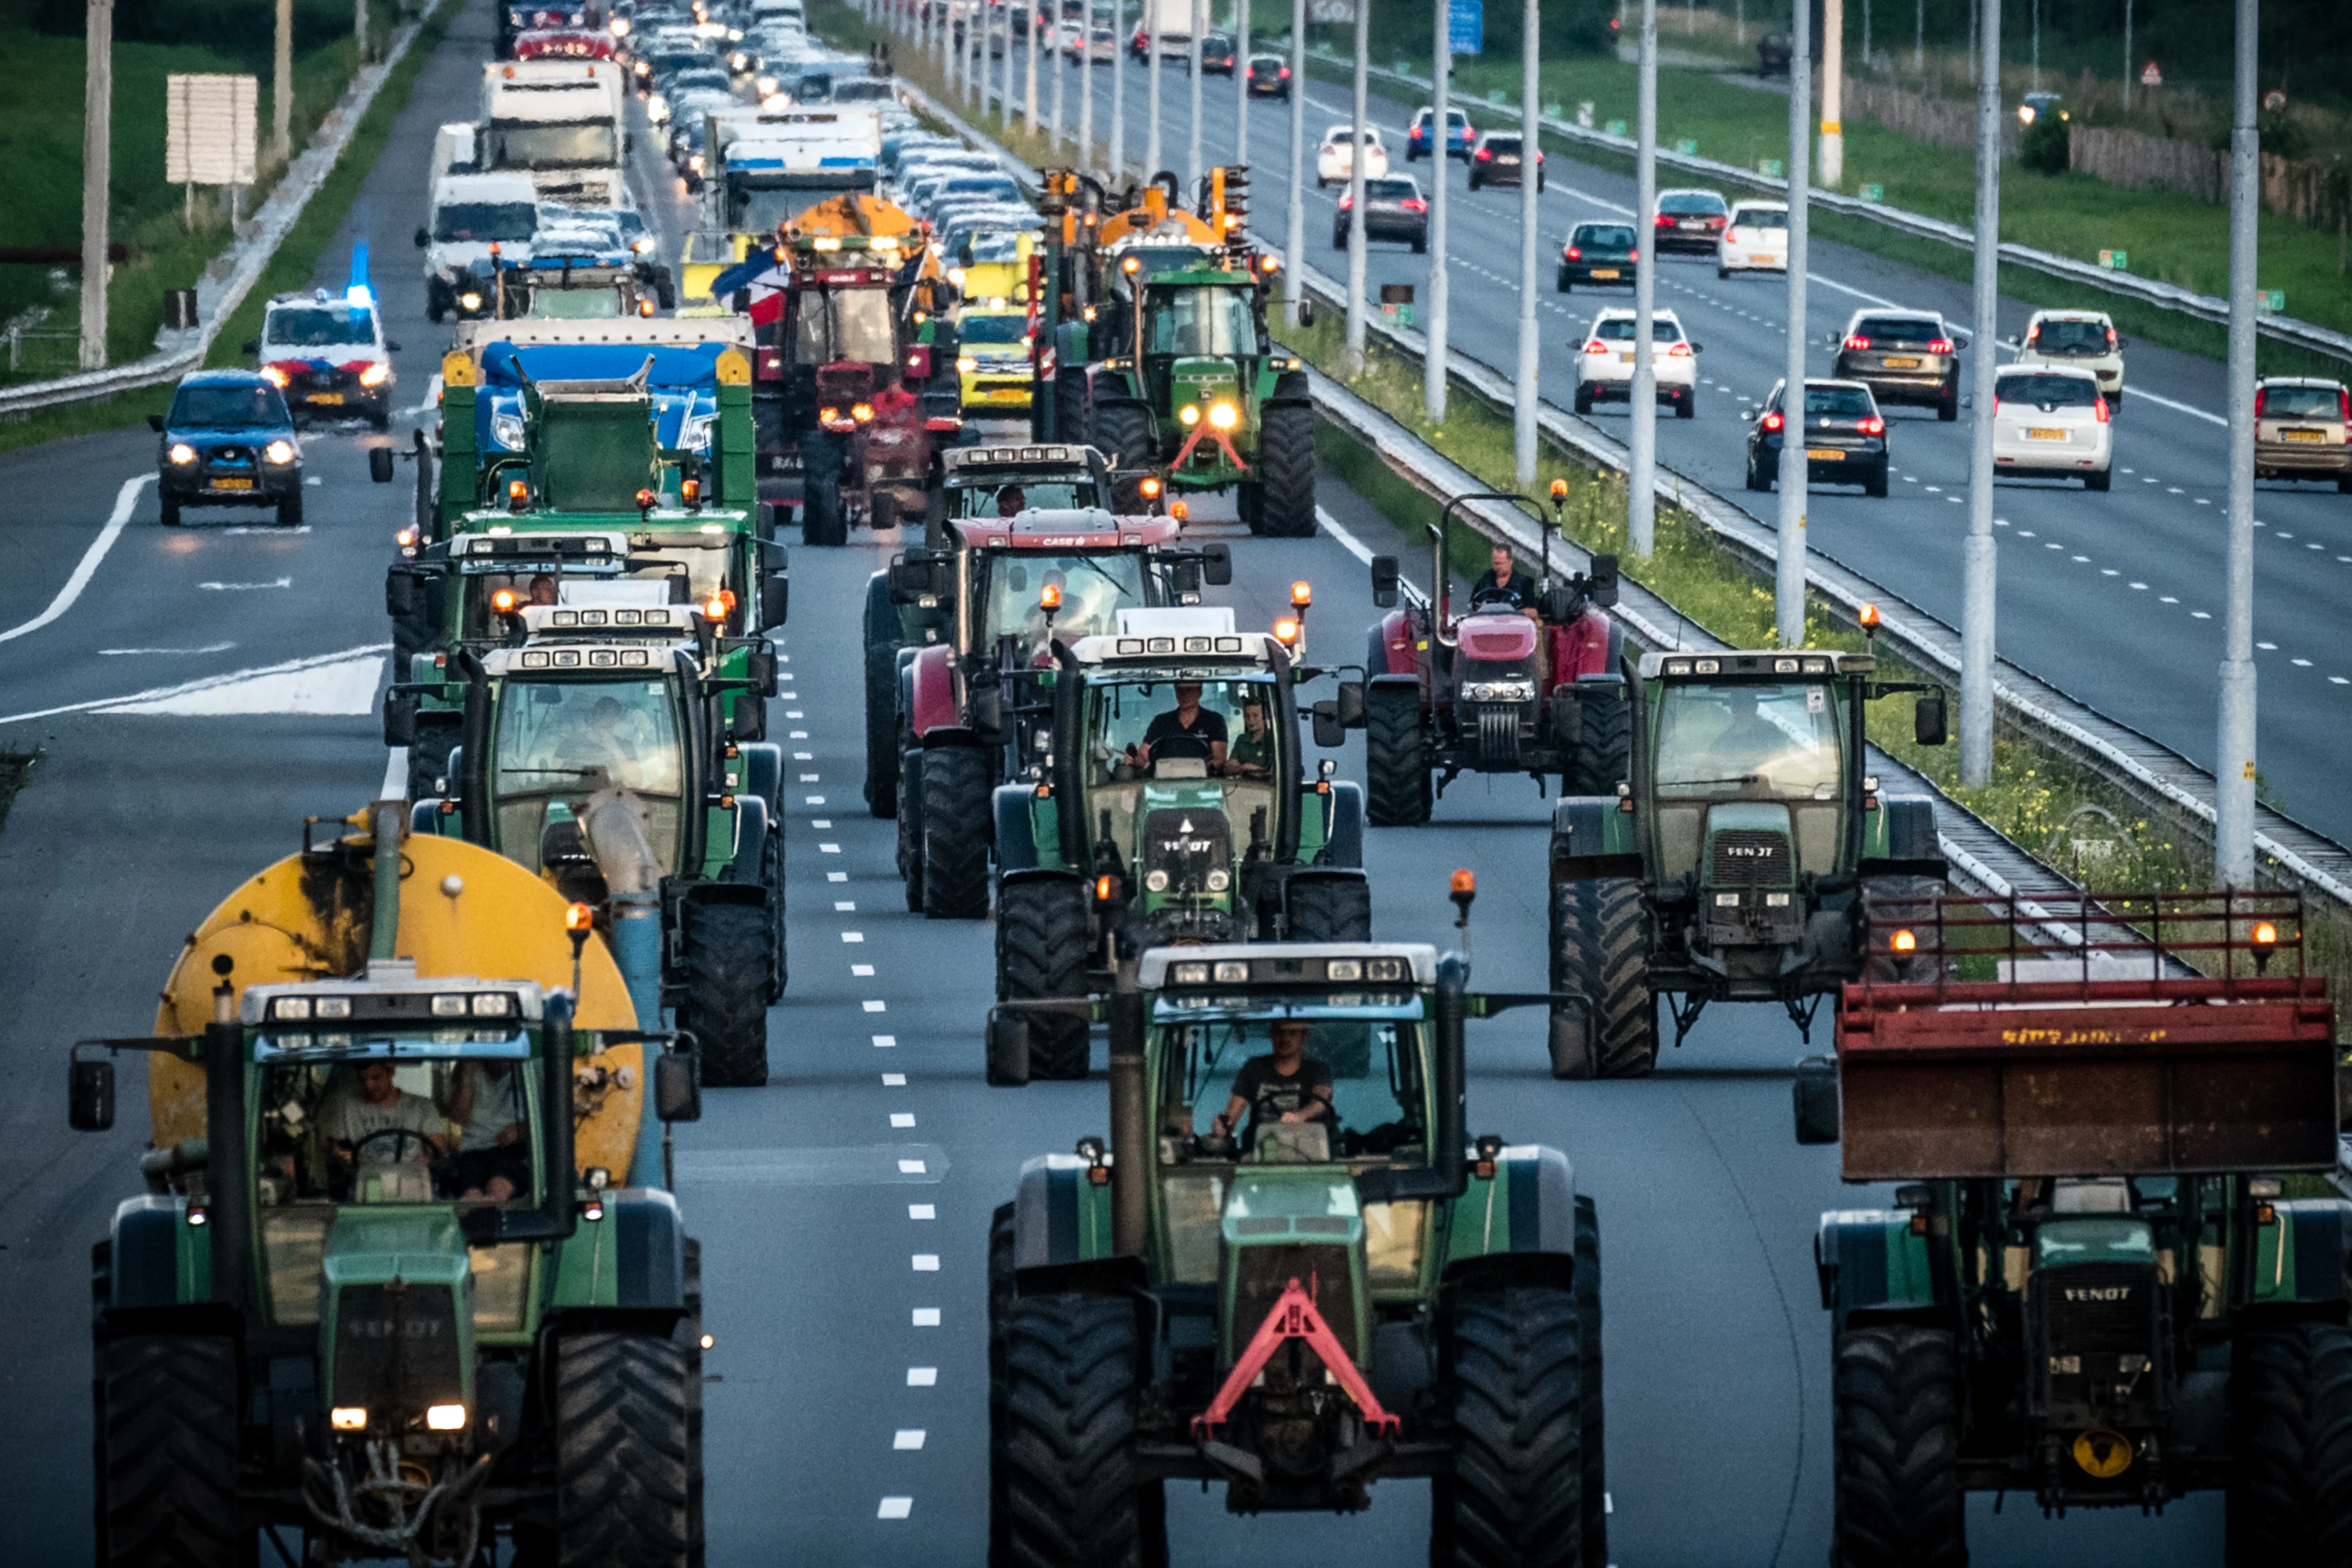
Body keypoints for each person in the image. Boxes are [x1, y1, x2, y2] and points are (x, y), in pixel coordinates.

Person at [1209, 1020, 1334, 1148]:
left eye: (1292, 1033)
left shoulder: (1318, 1070)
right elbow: (1233, 1113)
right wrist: (1223, 1126)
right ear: (1272, 1034)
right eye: (1280, 1032)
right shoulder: (1254, 1068)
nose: (1285, 1039)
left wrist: (1300, 1117)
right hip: (1259, 1152)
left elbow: (1320, 1102)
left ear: (1304, 1036)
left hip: (1305, 1151)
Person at [322, 1061, 447, 1179]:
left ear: (391, 1072)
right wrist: (343, 1157)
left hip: (411, 1178)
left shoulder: (423, 1107)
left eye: (376, 1078)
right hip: (367, 1178)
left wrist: (429, 1161)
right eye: (363, 1080)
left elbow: (437, 1149)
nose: (369, 1085)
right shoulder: (347, 1107)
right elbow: (336, 1149)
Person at [443, 1060, 529, 1202]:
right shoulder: (467, 1074)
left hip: (515, 1150)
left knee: (497, 1188)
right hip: (473, 1151)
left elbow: (549, 1118)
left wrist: (525, 1129)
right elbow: (459, 1117)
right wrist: (467, 1071)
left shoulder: (526, 1071)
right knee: (472, 1195)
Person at [1131, 681, 1227, 771]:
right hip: (1163, 782)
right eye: (1180, 690)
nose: (1184, 695)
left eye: (1189, 690)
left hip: (1205, 783)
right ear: (1176, 692)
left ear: (1200, 692)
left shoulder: (1215, 720)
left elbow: (1219, 758)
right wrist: (1138, 759)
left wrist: (1196, 769)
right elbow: (1144, 752)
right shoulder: (1161, 721)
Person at [1469, 545, 1539, 620]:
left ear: (1510, 562)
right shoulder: (1485, 579)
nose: (1498, 567)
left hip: (1513, 625)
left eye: (1501, 564)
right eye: (1495, 564)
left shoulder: (1524, 583)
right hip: (1487, 623)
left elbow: (1533, 612)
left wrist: (1517, 613)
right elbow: (1473, 605)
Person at [1225, 698, 1273, 778]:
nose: (1251, 720)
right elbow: (1229, 768)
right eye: (1247, 716)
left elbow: (1276, 772)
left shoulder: (1273, 740)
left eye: (1255, 716)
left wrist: (1253, 769)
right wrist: (1233, 766)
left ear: (1266, 717)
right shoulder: (1241, 739)